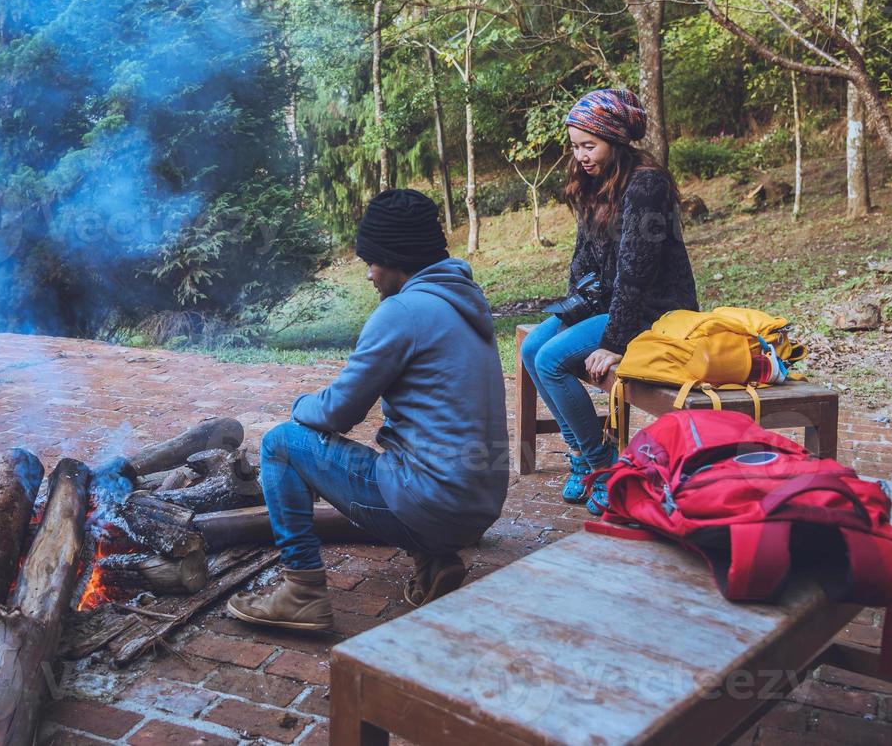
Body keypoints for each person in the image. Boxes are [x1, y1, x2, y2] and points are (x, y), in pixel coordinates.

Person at [228, 189, 508, 631]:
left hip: (433, 506)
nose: (369, 274)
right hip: (479, 506)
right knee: (409, 456)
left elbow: (339, 412)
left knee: (281, 444)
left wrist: (300, 404)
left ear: (396, 258)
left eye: (372, 261)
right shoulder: (464, 301)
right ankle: (433, 561)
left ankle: (301, 592)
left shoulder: (402, 312)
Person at [519, 88, 697, 515]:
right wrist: (572, 307)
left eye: (589, 145)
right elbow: (583, 257)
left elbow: (636, 270)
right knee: (530, 347)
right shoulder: (594, 181)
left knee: (550, 361)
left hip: (655, 310)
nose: (580, 155)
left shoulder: (646, 184)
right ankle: (583, 452)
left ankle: (604, 465)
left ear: (615, 141)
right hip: (607, 302)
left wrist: (615, 342)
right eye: (575, 145)